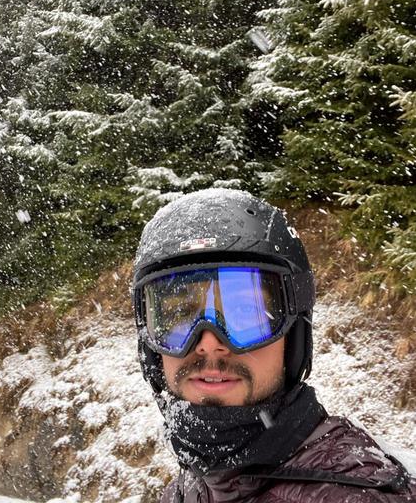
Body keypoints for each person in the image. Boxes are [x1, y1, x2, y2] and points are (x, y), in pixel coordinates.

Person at [132, 188, 415, 502]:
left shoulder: (354, 495)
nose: (209, 344)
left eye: (245, 312)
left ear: (293, 336)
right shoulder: (192, 486)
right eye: (181, 315)